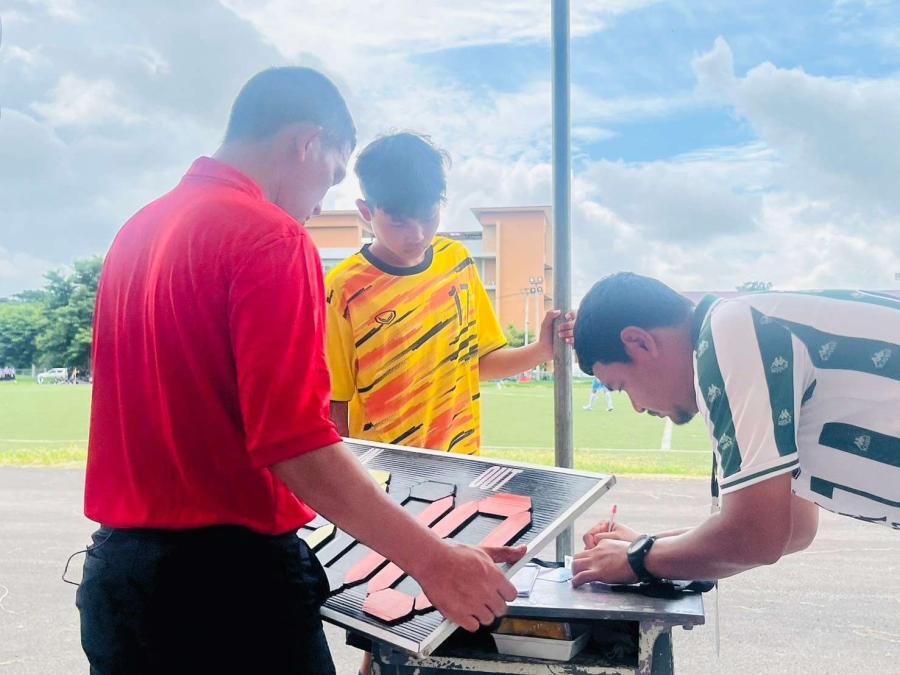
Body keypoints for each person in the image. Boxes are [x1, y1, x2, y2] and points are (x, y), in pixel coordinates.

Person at [79, 68, 524, 675]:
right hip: (227, 592)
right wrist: (435, 560)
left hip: (120, 580)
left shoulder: (138, 231)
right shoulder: (269, 236)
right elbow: (295, 442)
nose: (318, 206)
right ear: (306, 143)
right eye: (332, 177)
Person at [570, 272, 899, 587]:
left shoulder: (730, 332)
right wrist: (647, 547)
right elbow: (793, 526)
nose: (638, 407)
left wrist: (636, 558)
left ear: (639, 343)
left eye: (622, 386)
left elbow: (757, 535)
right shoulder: (739, 329)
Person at [326, 132, 573, 455]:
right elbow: (335, 404)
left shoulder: (457, 263)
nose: (417, 234)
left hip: (461, 463)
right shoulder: (342, 288)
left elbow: (479, 363)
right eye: (398, 222)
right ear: (365, 211)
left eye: (429, 216)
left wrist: (541, 350)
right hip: (385, 471)